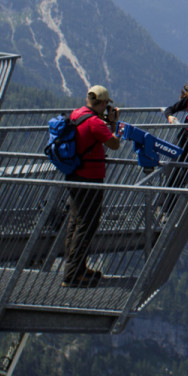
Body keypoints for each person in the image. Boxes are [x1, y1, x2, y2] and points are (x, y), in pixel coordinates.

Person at [61, 85, 120, 288]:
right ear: (103, 103)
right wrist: (113, 124)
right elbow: (114, 144)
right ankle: (73, 274)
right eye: (106, 104)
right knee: (88, 224)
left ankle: (76, 267)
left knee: (75, 222)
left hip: (74, 174)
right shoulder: (95, 122)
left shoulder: (76, 114)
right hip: (90, 178)